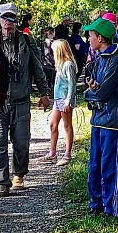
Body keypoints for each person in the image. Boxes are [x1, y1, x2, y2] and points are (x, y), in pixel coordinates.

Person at [0, 3, 51, 197]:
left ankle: (19, 175)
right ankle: (1, 182)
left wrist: (44, 93)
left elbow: (37, 68)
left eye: (11, 19)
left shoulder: (25, 40)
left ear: (16, 20)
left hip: (21, 99)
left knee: (22, 142)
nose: (8, 23)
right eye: (4, 19)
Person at [83, 18, 118, 217]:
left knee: (110, 166)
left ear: (100, 38)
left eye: (91, 35)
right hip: (98, 119)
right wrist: (92, 88)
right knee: (95, 164)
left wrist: (88, 93)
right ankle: (96, 204)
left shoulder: (116, 61)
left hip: (113, 121)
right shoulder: (100, 59)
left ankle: (112, 209)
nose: (89, 39)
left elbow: (102, 93)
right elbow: (96, 87)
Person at [39, 39, 77, 167]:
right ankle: (52, 152)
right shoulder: (60, 65)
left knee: (67, 126)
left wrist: (68, 101)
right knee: (53, 124)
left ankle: (67, 154)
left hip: (65, 100)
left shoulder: (68, 65)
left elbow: (72, 85)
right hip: (58, 99)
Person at [41, 26, 56, 95]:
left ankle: (49, 92)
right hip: (48, 64)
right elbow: (47, 53)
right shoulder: (48, 42)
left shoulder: (46, 41)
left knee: (49, 80)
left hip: (47, 63)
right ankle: (48, 93)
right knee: (49, 80)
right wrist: (54, 62)